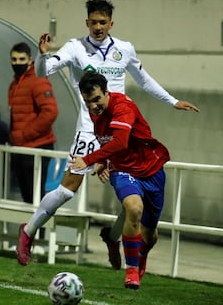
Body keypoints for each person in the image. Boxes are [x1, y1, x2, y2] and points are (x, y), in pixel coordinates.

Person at [22, 0, 199, 270]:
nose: (98, 27)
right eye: (93, 22)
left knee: (132, 194)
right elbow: (43, 71)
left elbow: (143, 79)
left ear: (110, 23)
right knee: (69, 189)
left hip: (119, 129)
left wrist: (172, 101)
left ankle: (112, 237)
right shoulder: (75, 47)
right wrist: (42, 53)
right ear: (87, 23)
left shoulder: (124, 49)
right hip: (88, 129)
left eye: (102, 22)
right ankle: (29, 231)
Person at [69, 71, 170, 289]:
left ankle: (131, 250)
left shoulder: (123, 107)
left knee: (150, 236)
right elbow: (109, 142)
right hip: (123, 169)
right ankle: (131, 270)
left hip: (151, 170)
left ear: (107, 92)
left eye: (96, 99)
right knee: (133, 208)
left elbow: (121, 142)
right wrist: (105, 161)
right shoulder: (95, 112)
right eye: (88, 102)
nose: (93, 106)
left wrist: (88, 159)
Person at [8, 42, 58, 205]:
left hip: (37, 146)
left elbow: (50, 111)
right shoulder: (15, 84)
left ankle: (39, 231)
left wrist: (25, 135)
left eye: (21, 59)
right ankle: (29, 231)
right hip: (21, 147)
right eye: (14, 59)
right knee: (27, 198)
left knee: (36, 197)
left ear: (30, 60)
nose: (17, 63)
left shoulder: (38, 79)